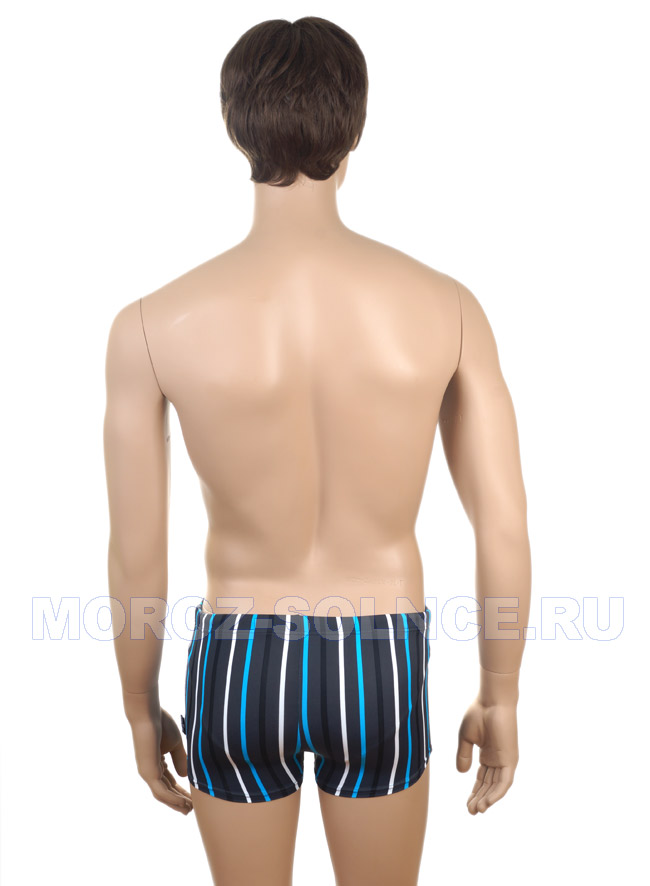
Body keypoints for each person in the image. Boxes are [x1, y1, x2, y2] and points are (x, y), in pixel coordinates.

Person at [103, 16, 531, 886]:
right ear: (355, 129)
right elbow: (504, 527)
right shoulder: (446, 309)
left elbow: (136, 551)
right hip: (379, 658)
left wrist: (139, 707)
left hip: (238, 660)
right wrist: (502, 690)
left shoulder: (150, 326)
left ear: (235, 129)